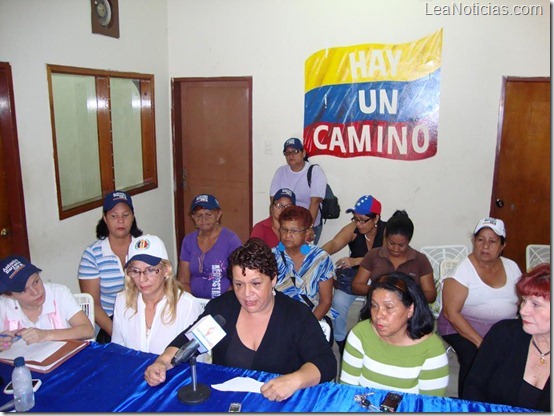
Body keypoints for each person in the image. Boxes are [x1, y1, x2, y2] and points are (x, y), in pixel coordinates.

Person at [144, 238, 336, 402]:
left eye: (256, 284)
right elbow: (189, 342)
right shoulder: (223, 310)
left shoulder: (295, 315)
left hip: (279, 403)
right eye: (238, 284)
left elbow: (326, 363)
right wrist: (162, 362)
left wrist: (295, 380)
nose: (246, 294)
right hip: (229, 402)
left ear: (274, 280)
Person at [437, 217, 521, 397]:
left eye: (492, 241)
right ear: (474, 241)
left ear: (502, 245)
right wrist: (481, 343)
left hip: (501, 328)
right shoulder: (462, 270)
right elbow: (452, 314)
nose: (485, 246)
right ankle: (468, 404)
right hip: (461, 327)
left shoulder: (512, 267)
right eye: (480, 239)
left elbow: (523, 301)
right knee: (475, 358)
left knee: (518, 356)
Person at [340, 272, 449, 396]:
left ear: (411, 309)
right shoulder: (360, 335)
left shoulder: (431, 350)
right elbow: (348, 391)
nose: (378, 315)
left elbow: (429, 406)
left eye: (389, 307)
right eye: (374, 306)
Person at [463, 263, 550, 411]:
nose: (523, 311)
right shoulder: (504, 333)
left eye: (535, 304)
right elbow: (473, 386)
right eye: (524, 300)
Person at [112, 235, 203, 354]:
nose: (142, 279)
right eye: (135, 271)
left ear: (166, 270)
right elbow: (117, 350)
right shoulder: (122, 301)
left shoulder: (187, 306)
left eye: (150, 270)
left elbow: (196, 360)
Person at [321, 195, 386, 354]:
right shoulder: (353, 229)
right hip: (356, 278)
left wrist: (357, 260)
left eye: (363, 220)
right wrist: (316, 255)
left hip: (381, 278)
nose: (358, 224)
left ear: (376, 218)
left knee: (378, 307)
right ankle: (341, 340)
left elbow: (386, 258)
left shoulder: (387, 231)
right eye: (356, 219)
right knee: (338, 303)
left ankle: (375, 342)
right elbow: (334, 243)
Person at [78, 191, 143, 343]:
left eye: (125, 215)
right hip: (110, 324)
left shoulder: (144, 248)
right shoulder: (92, 255)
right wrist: (118, 334)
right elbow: (93, 304)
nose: (120, 221)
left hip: (144, 317)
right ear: (105, 219)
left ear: (133, 217)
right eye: (114, 216)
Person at [0, 255, 94, 349]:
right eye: (24, 290)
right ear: (9, 296)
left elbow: (88, 330)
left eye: (36, 282)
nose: (36, 292)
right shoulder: (3, 307)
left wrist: (46, 335)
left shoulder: (59, 293)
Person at [273, 206, 336, 330]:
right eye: (284, 229)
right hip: (278, 321)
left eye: (294, 231)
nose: (287, 235)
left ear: (307, 232)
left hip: (313, 319)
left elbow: (325, 301)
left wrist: (305, 327)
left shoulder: (321, 259)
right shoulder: (271, 257)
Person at [351, 210, 436, 303]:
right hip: (378, 309)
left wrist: (408, 294)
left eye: (401, 245)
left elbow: (431, 295)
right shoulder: (374, 255)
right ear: (385, 237)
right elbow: (356, 286)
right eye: (391, 243)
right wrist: (379, 290)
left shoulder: (420, 260)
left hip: (409, 312)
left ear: (409, 241)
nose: (395, 249)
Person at [177, 194, 242, 300]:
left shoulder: (231, 240)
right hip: (194, 301)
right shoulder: (188, 241)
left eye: (208, 214)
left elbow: (239, 280)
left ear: (218, 215)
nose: (203, 219)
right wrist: (192, 303)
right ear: (193, 217)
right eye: (198, 215)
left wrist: (220, 303)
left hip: (224, 301)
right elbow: (183, 280)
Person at [269, 138, 327, 244]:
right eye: (287, 153)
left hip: (309, 222)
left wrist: (307, 228)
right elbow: (273, 201)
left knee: (301, 256)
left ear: (303, 153)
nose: (291, 155)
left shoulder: (315, 171)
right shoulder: (281, 172)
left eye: (295, 151)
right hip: (285, 223)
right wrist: (277, 225)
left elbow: (315, 202)